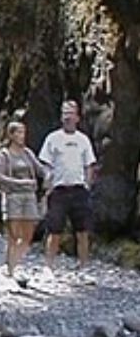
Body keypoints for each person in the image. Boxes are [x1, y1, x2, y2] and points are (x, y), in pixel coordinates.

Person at [39, 100, 98, 272]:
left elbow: (89, 164)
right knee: (54, 230)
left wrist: (87, 185)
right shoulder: (53, 138)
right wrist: (48, 183)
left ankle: (83, 266)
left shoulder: (83, 140)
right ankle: (49, 267)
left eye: (71, 113)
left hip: (79, 190)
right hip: (59, 190)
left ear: (77, 117)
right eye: (65, 113)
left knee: (83, 231)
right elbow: (45, 163)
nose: (67, 117)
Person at [0, 121, 43, 281]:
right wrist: (21, 183)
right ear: (11, 135)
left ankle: (14, 263)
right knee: (14, 234)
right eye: (19, 133)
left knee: (28, 234)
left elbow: (40, 169)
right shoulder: (3, 155)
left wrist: (52, 175)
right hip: (12, 197)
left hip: (30, 196)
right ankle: (12, 268)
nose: (22, 136)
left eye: (23, 132)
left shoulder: (28, 153)